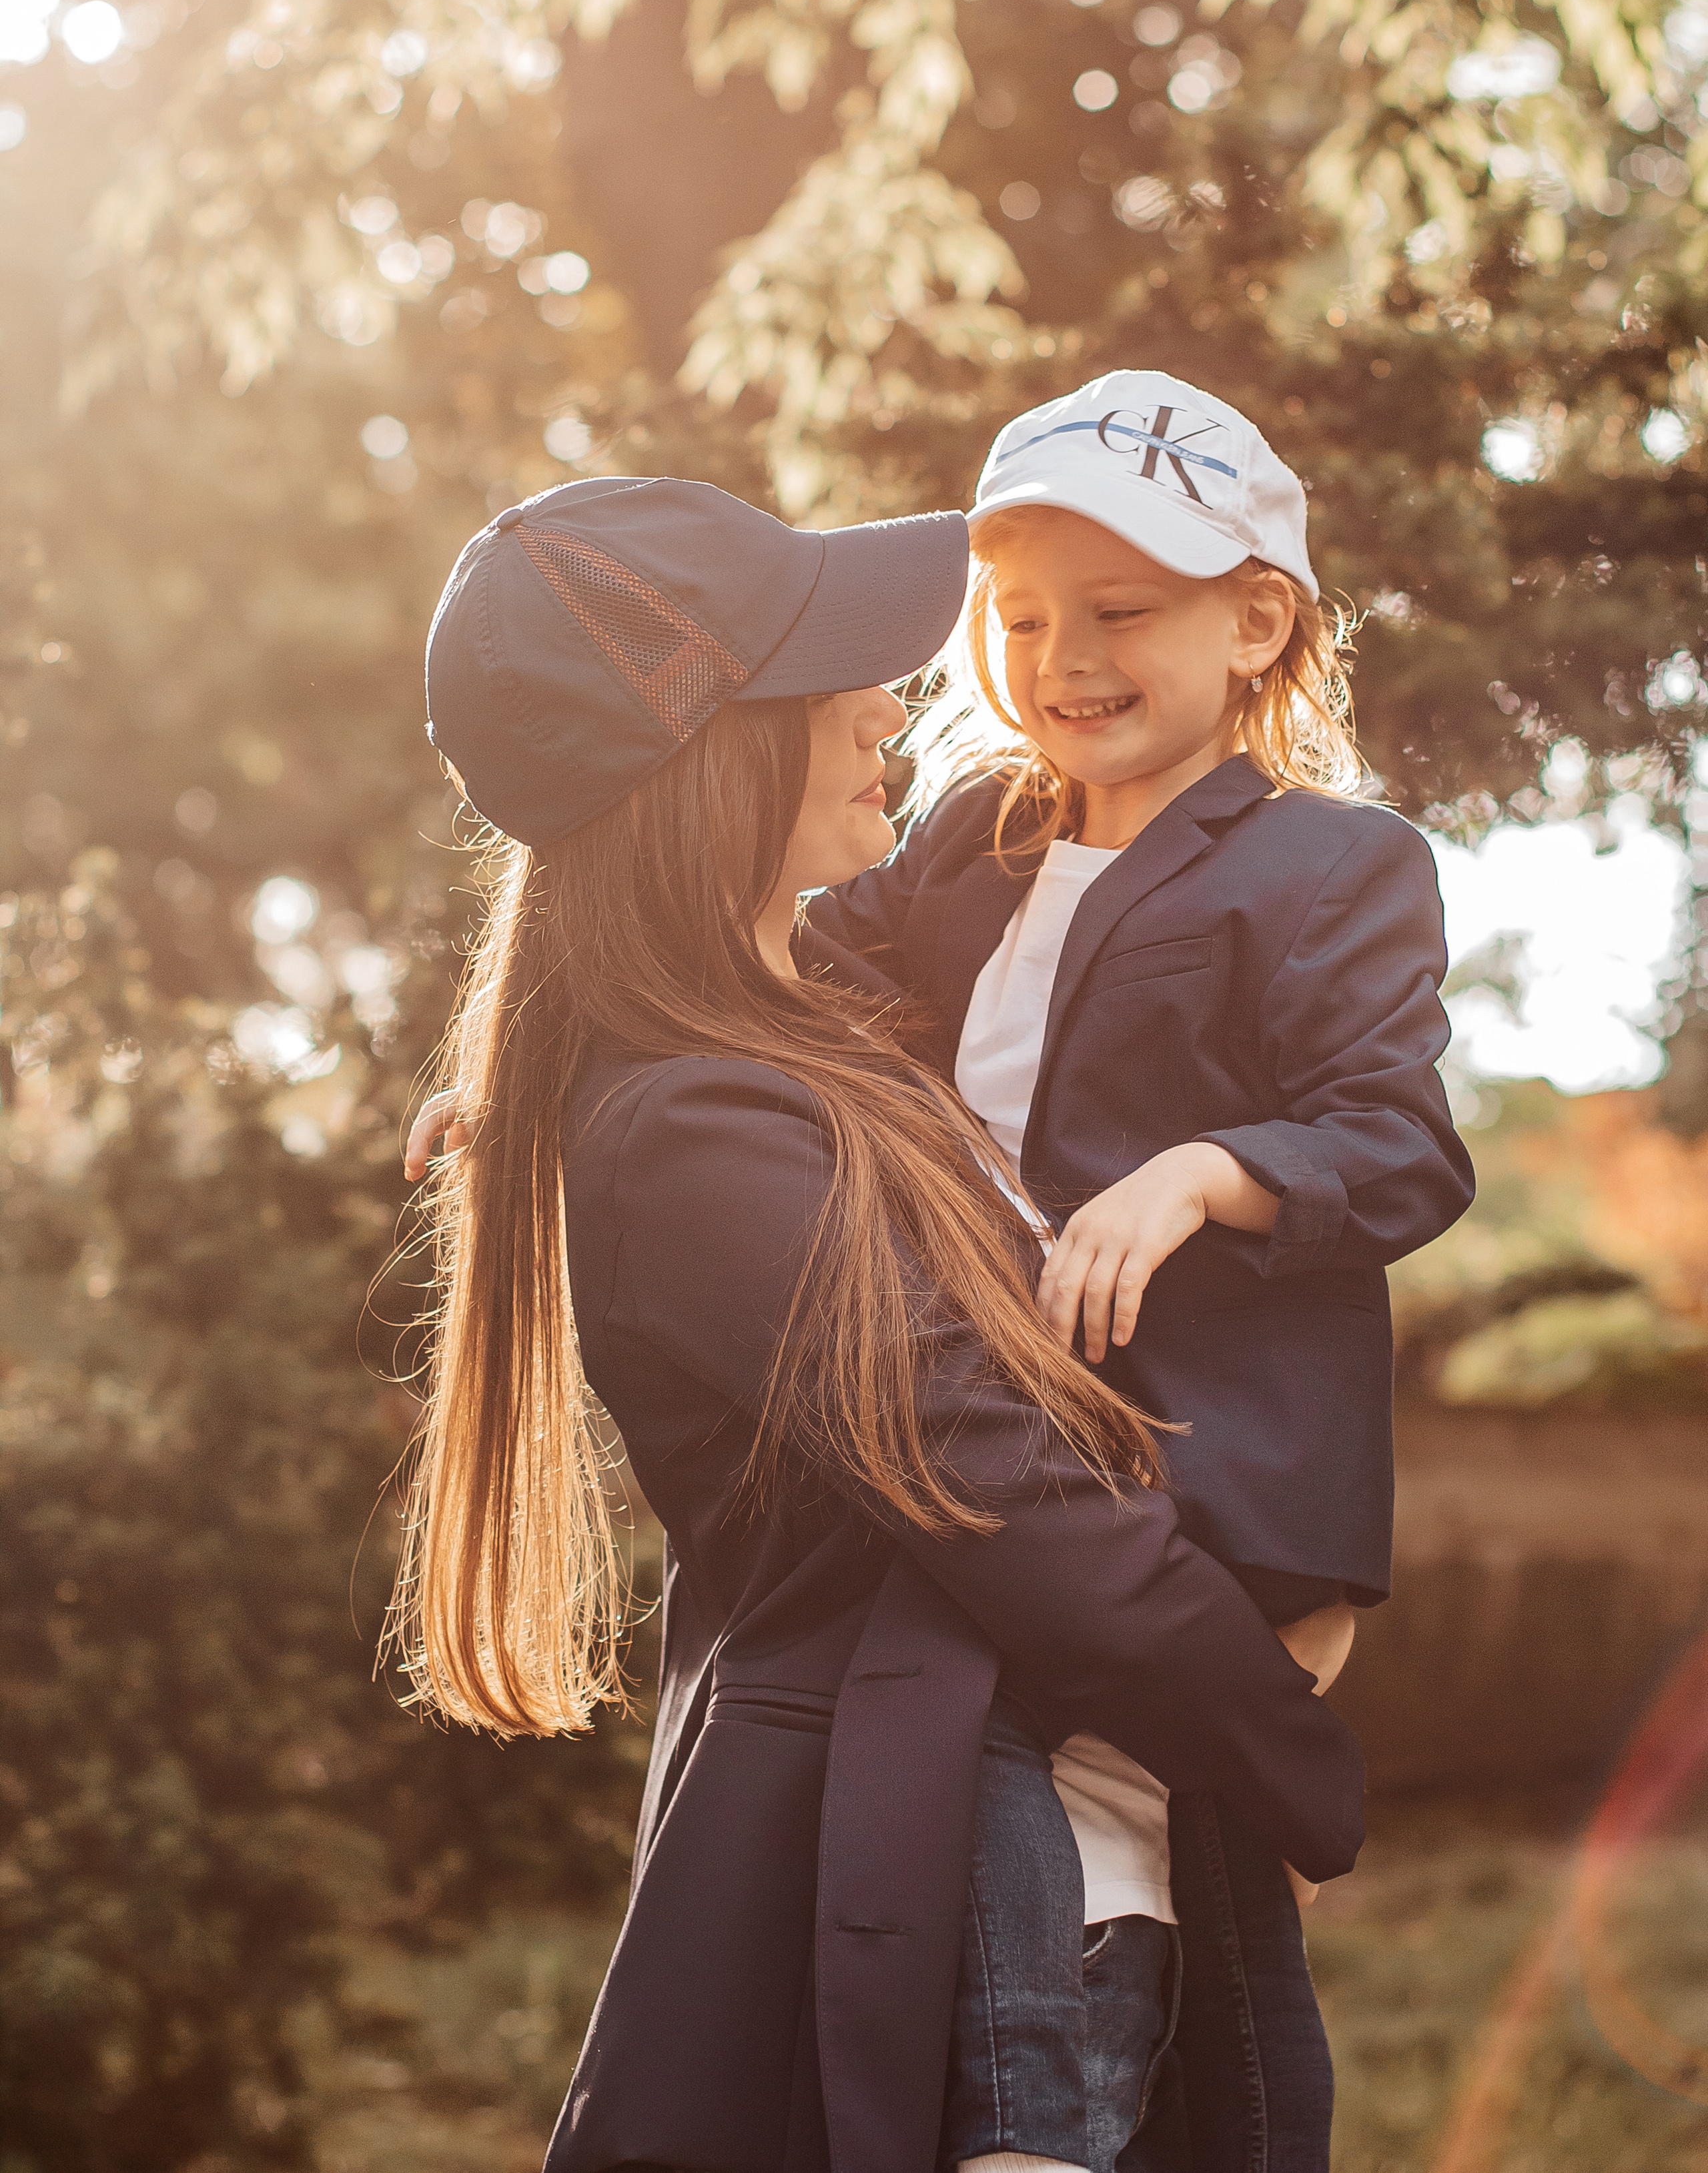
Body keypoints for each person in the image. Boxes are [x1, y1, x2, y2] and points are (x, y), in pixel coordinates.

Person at [396, 474, 1366, 2173]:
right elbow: (995, 1473)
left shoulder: (801, 1052)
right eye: (817, 676)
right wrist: (1288, 1742)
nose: (884, 701)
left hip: (1074, 1876)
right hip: (921, 1916)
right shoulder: (696, 1129)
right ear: (692, 759)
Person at [805, 372, 1477, 2169]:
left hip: (1209, 1464)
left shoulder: (1335, 867)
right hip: (1014, 1432)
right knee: (1163, 1837)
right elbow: (772, 976)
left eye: (1121, 611)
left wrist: (1208, 1170)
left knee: (1034, 1735)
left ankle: (1037, 2125)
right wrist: (537, 1063)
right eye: (1020, 617)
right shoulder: (971, 835)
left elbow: (1404, 1146)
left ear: (1255, 620)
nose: (1060, 657)